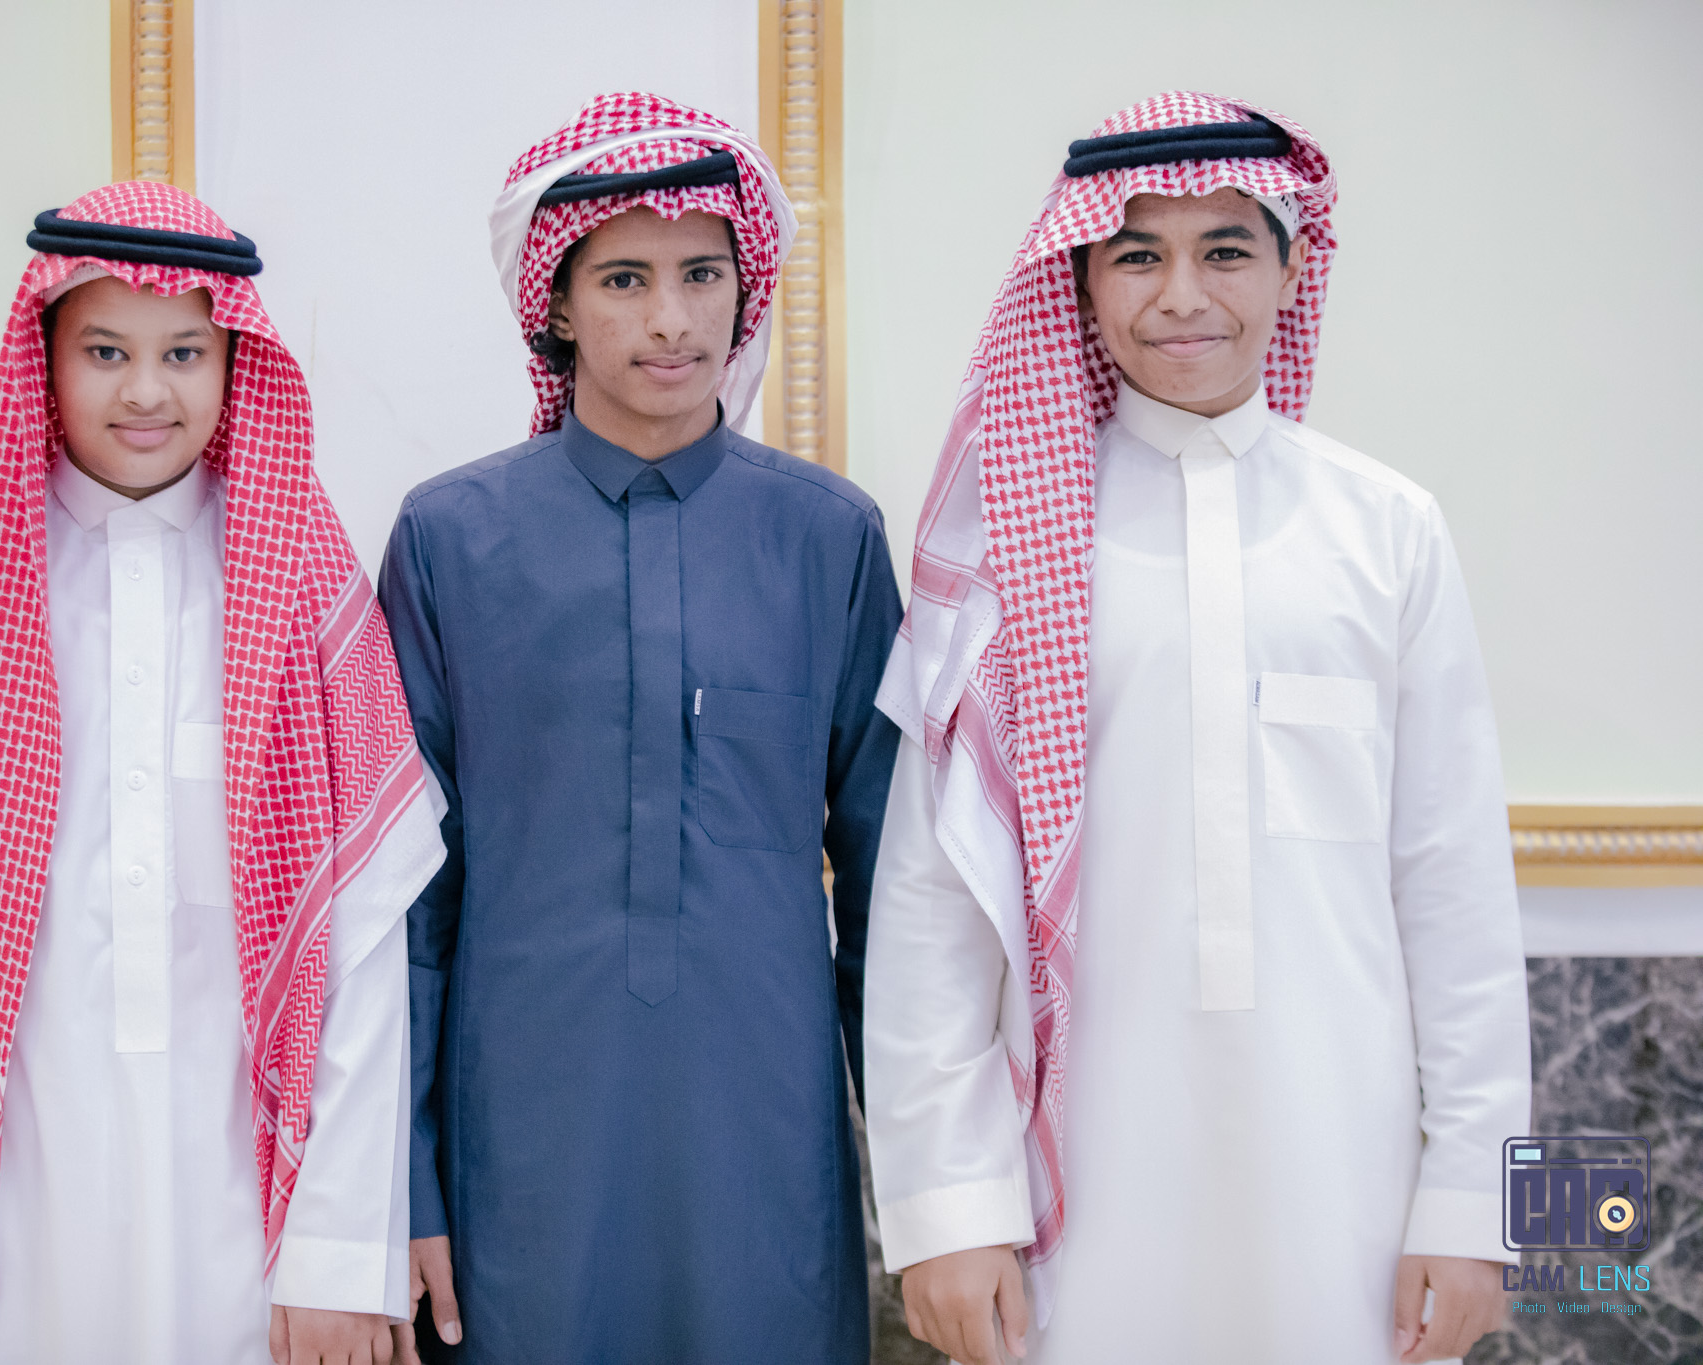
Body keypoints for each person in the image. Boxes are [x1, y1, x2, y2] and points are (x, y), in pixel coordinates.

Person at [862, 92, 1531, 1365]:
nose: (1180, 295)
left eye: (1224, 249)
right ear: (1082, 281)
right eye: (1136, 255)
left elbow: (1453, 890)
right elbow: (931, 905)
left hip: (1348, 1172)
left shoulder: (1384, 529)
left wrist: (1478, 1206)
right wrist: (945, 1211)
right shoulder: (1004, 548)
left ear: (1290, 269)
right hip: (1081, 1174)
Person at [0, 182, 443, 1365]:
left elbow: (362, 944)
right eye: (104, 352)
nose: (145, 391)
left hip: (253, 1220)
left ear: (233, 363)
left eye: (184, 351)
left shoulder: (301, 588)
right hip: (14, 1204)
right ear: (43, 359)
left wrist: (339, 1252)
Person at [378, 93, 901, 1364]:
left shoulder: (827, 537)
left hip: (765, 1143)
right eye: (624, 280)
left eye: (700, 275)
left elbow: (899, 899)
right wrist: (403, 1187)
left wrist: (935, 1193)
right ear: (555, 307)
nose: (671, 319)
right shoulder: (448, 540)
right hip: (520, 1154)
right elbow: (403, 905)